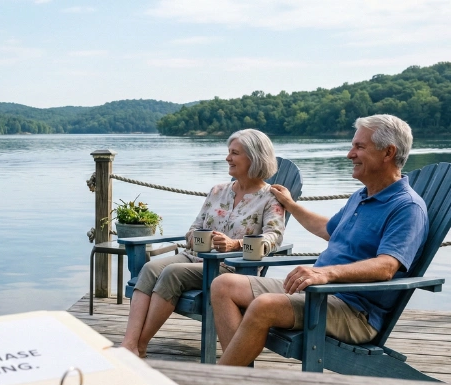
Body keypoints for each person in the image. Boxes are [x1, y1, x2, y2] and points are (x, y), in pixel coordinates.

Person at [211, 114, 428, 366]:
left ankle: (222, 378)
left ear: (388, 152)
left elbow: (387, 266)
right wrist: (290, 204)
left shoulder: (406, 207)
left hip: (355, 312)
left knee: (264, 305)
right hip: (318, 294)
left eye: (359, 147)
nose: (350, 154)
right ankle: (238, 375)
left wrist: (324, 273)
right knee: (223, 285)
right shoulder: (362, 196)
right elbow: (328, 229)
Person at [120, 129, 285, 358]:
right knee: (149, 268)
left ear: (254, 157)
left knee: (172, 273)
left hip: (231, 269)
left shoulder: (271, 198)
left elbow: (273, 238)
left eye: (234, 153)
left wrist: (235, 245)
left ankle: (139, 345)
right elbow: (193, 229)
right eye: (229, 152)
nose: (228, 158)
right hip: (194, 257)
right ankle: (129, 343)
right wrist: (199, 239)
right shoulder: (218, 191)